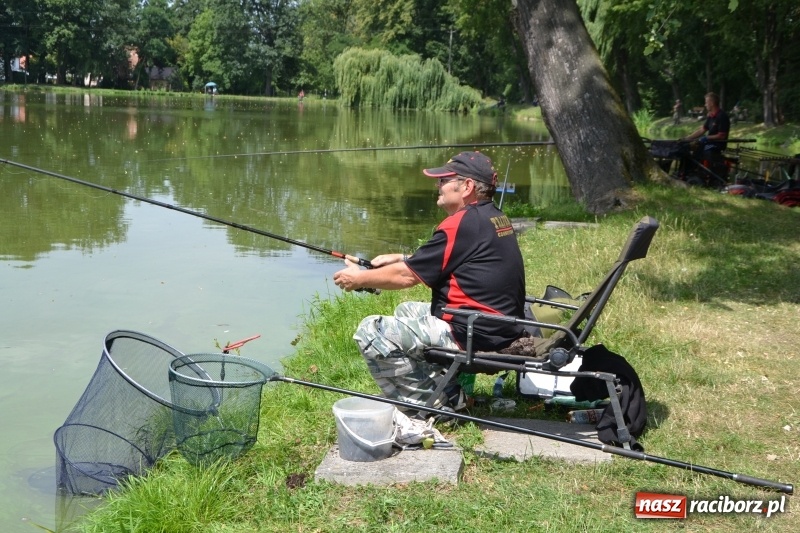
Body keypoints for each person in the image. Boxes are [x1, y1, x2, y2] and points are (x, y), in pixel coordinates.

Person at [332, 151, 526, 413]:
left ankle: (431, 405)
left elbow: (406, 276)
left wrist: (358, 278)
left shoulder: (461, 223)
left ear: (467, 187)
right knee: (407, 310)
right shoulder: (491, 216)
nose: (438, 186)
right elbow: (454, 259)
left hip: (476, 333)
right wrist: (399, 258)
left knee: (371, 331)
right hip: (498, 325)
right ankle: (448, 390)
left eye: (444, 180)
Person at [679, 92, 730, 178]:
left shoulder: (722, 116)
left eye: (706, 102)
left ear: (712, 103)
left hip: (716, 145)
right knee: (686, 147)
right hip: (708, 143)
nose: (705, 104)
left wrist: (706, 137)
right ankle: (684, 173)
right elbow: (702, 130)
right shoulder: (710, 116)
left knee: (697, 150)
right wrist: (687, 138)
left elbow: (722, 136)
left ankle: (695, 173)